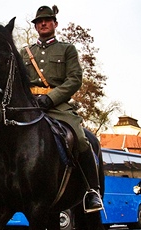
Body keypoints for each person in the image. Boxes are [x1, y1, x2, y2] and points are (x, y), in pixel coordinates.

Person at [19, 5, 102, 214]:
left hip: (57, 106)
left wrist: (50, 98)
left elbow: (74, 79)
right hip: (29, 105)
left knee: (82, 139)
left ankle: (92, 191)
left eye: (47, 20)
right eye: (39, 21)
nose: (43, 24)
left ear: (55, 23)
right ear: (36, 26)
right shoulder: (25, 52)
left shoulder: (66, 49)